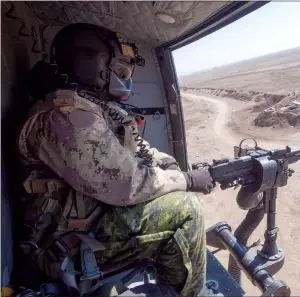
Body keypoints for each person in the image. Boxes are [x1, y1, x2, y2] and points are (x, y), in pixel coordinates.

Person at [17, 23, 214, 297]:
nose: (124, 76)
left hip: (93, 220)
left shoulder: (91, 107)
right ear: (88, 64)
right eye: (119, 68)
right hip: (63, 247)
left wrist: (166, 162)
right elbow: (125, 182)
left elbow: (134, 148)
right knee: (185, 210)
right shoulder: (65, 117)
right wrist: (187, 180)